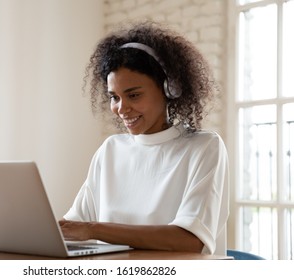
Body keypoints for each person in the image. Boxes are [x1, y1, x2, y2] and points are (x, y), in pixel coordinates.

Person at [60, 21, 229, 255]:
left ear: (170, 89)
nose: (121, 108)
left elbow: (190, 240)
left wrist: (94, 229)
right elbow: (74, 227)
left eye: (134, 95)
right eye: (114, 97)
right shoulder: (110, 150)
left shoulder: (204, 148)